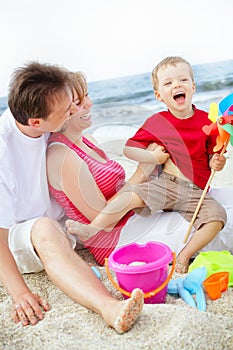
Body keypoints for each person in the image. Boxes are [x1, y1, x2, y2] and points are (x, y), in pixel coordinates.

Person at [0, 62, 144, 334]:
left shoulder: (42, 109)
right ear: (36, 123)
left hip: (69, 226)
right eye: (69, 109)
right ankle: (109, 308)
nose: (76, 110)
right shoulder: (4, 152)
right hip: (22, 236)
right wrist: (19, 293)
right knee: (44, 227)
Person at [62, 57, 228, 274]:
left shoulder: (208, 121)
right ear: (159, 95)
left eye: (183, 80)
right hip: (167, 183)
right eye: (168, 83)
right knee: (130, 196)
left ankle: (184, 255)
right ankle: (92, 229)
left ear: (193, 87)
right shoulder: (158, 122)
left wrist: (217, 162)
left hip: (196, 191)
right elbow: (128, 149)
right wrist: (154, 159)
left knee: (218, 216)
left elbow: (211, 158)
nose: (177, 85)